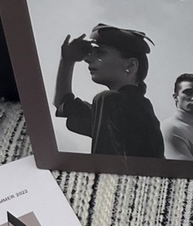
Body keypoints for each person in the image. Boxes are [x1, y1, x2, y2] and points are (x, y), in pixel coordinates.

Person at [53, 24, 164, 158]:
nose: (88, 59)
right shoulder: (116, 107)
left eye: (100, 53)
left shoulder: (111, 101)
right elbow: (63, 104)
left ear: (131, 65)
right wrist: (67, 61)